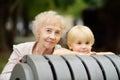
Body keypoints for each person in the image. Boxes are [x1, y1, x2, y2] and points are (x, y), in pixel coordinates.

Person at [0, 10, 70, 80]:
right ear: (38, 31)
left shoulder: (60, 53)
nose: (52, 37)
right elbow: (3, 77)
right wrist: (19, 69)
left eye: (57, 32)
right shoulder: (21, 49)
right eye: (48, 31)